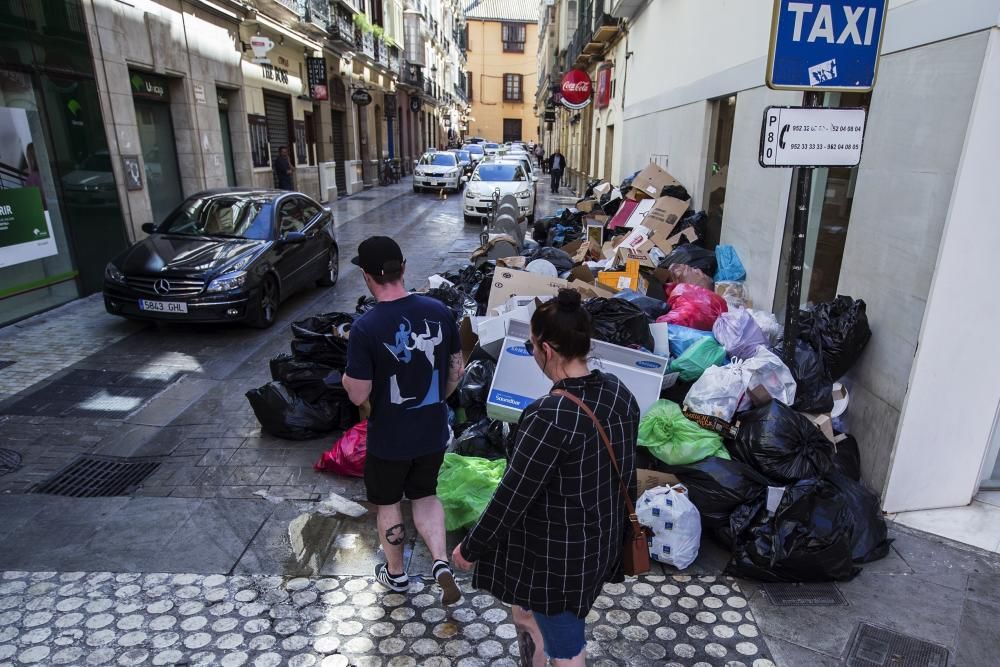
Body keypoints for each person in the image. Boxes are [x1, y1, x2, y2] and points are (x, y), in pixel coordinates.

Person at [452, 289, 640, 667]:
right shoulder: (620, 393)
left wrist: (470, 549)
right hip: (598, 542)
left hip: (560, 560)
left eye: (531, 344)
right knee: (525, 613)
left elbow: (512, 496)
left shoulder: (550, 415)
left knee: (566, 647)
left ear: (547, 349)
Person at [343, 236, 465, 607]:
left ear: (367, 276)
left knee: (389, 501)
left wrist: (348, 381)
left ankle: (396, 575)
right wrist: (436, 401)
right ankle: (441, 563)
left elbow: (359, 395)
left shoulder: (366, 327)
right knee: (425, 495)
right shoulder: (439, 311)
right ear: (403, 268)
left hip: (389, 437)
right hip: (430, 430)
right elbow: (456, 370)